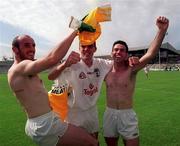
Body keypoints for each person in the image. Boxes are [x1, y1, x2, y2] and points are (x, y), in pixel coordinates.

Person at [7, 31, 98, 146]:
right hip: (45, 124)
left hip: (39, 122)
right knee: (93, 143)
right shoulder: (20, 67)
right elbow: (52, 58)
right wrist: (75, 32)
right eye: (26, 45)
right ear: (15, 49)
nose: (32, 49)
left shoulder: (22, 68)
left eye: (33, 45)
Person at [48, 41, 139, 142]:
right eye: (83, 46)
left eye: (90, 46)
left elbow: (118, 61)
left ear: (95, 49)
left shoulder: (102, 64)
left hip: (92, 112)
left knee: (94, 141)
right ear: (79, 48)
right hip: (74, 113)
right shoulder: (72, 63)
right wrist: (64, 64)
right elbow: (51, 76)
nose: (86, 49)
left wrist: (130, 59)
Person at [103, 16, 169, 146]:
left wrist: (161, 30)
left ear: (126, 54)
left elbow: (151, 53)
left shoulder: (132, 69)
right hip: (109, 114)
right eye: (116, 50)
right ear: (111, 53)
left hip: (127, 114)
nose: (118, 52)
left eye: (122, 50)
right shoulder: (105, 70)